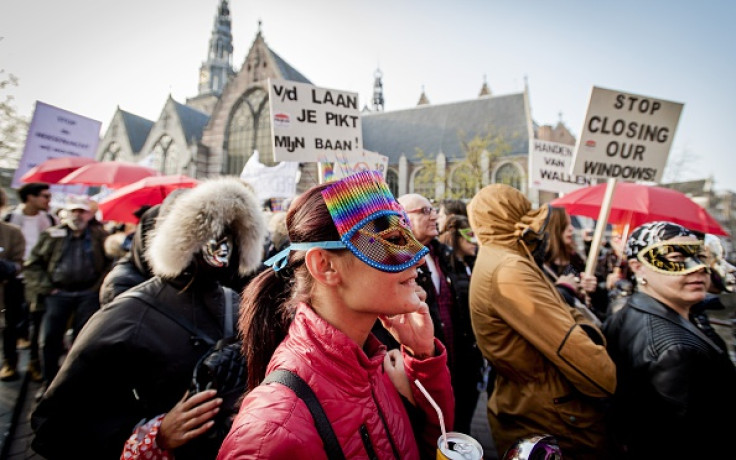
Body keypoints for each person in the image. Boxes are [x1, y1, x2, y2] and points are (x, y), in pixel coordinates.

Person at [218, 171, 454, 459]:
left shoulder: (370, 366)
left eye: (407, 235)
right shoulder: (272, 434)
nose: (417, 254)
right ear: (325, 265)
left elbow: (432, 448)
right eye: (391, 239)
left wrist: (422, 358)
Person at [31, 177, 267, 460]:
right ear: (183, 238)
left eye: (231, 235)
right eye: (210, 234)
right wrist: (154, 434)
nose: (222, 249)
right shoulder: (128, 315)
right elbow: (54, 426)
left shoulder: (235, 301)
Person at [467, 184, 616, 459]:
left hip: (532, 404)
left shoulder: (502, 257)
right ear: (510, 214)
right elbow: (572, 349)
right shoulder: (509, 268)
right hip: (553, 413)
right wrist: (608, 376)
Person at [603, 221, 736, 459]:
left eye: (700, 257)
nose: (698, 269)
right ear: (637, 267)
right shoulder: (675, 351)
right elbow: (675, 442)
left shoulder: (626, 309)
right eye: (676, 258)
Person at [383, 193, 481, 436]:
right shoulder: (394, 263)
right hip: (422, 372)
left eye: (433, 209)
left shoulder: (445, 255)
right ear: (401, 219)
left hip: (459, 368)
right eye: (425, 211)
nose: (435, 215)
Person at [23, 195, 111, 389]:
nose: (77, 215)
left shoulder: (100, 235)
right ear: (66, 213)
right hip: (58, 293)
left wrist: (97, 287)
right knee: (49, 340)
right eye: (74, 211)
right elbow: (32, 264)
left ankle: (74, 384)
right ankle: (49, 383)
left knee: (83, 341)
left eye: (82, 211)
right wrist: (47, 288)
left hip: (87, 294)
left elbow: (111, 263)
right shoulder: (52, 235)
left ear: (89, 214)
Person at [2, 182, 58, 382]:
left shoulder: (51, 220)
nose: (48, 200)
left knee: (38, 324)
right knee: (11, 322)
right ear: (30, 197)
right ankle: (10, 363)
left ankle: (35, 363)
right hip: (14, 279)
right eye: (45, 196)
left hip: (40, 280)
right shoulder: (11, 219)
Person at [543, 207, 606, 323]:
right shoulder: (541, 264)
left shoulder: (574, 258)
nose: (571, 229)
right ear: (554, 228)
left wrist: (591, 287)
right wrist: (564, 289)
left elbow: (599, 301)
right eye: (565, 225)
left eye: (570, 224)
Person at [0, 188, 26, 381]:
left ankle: (10, 363)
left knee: (9, 327)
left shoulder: (12, 232)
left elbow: (19, 263)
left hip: (6, 291)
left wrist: (6, 267)